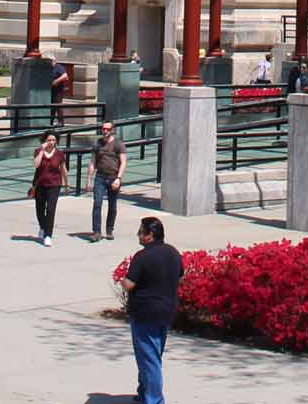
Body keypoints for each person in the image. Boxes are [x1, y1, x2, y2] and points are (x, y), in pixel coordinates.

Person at [119, 217, 181, 404]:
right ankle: (144, 392)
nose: (138, 235)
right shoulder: (173, 253)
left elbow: (129, 284)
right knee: (152, 356)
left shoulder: (142, 257)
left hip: (145, 314)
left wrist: (122, 281)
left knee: (149, 360)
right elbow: (180, 277)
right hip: (167, 311)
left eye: (141, 232)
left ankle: (153, 400)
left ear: (149, 235)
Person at [89, 119, 126, 240]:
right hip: (100, 177)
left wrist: (118, 178)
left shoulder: (118, 144)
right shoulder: (98, 144)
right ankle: (96, 232)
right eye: (103, 129)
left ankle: (109, 229)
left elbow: (123, 162)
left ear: (112, 130)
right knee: (97, 203)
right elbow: (92, 162)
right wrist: (89, 179)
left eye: (108, 129)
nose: (105, 131)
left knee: (112, 205)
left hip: (113, 177)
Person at [30, 131, 67, 246]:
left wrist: (67, 183)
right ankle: (42, 226)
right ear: (45, 141)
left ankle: (48, 235)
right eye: (49, 140)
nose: (51, 142)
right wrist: (42, 150)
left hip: (54, 185)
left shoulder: (60, 154)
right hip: (40, 184)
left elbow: (63, 169)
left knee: (51, 210)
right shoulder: (38, 151)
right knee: (39, 209)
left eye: (53, 140)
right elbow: (36, 165)